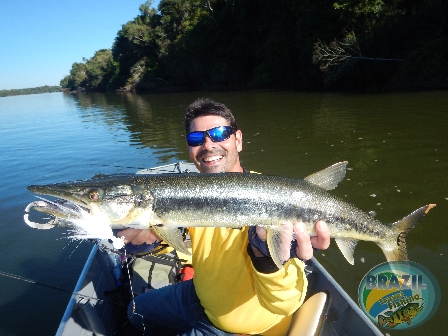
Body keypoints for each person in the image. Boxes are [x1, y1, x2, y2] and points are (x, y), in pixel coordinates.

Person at [118, 98, 330, 335]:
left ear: (238, 140)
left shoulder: (275, 199)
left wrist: (267, 260)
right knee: (135, 312)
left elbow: (285, 303)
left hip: (240, 326)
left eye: (220, 133)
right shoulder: (189, 195)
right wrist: (147, 243)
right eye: (196, 139)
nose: (208, 145)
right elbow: (183, 245)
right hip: (198, 297)